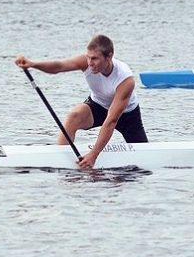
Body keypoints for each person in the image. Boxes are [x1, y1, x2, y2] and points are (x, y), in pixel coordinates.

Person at [13, 34, 148, 169]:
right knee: (74, 115)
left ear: (109, 56)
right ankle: (59, 159)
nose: (90, 63)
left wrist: (93, 154)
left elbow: (111, 120)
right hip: (98, 106)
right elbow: (59, 66)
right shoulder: (85, 62)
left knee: (144, 156)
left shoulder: (125, 79)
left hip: (128, 116)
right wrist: (32, 64)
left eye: (94, 58)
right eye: (88, 57)